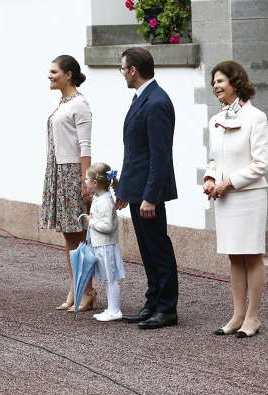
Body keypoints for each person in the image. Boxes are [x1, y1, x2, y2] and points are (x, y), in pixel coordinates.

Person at [203, 60, 268, 338]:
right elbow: (214, 159)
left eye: (220, 81)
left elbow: (260, 164)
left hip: (249, 196)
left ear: (235, 82)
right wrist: (210, 178)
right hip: (225, 198)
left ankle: (253, 317)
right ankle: (237, 315)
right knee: (234, 256)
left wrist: (228, 183)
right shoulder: (215, 119)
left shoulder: (256, 117)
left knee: (251, 255)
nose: (215, 86)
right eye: (213, 82)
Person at [116, 47, 179, 330]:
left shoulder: (156, 102)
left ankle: (166, 308)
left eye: (123, 68)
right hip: (138, 189)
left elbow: (160, 155)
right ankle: (153, 303)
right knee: (147, 250)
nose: (122, 74)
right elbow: (134, 151)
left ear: (133, 70)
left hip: (149, 194)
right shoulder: (143, 97)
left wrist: (150, 197)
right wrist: (124, 190)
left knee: (158, 249)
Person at [40, 55, 96, 311]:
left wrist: (86, 180)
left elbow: (85, 146)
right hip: (58, 171)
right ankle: (75, 287)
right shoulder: (62, 103)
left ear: (68, 74)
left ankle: (87, 290)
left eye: (54, 72)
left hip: (72, 173)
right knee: (69, 235)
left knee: (79, 236)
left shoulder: (80, 104)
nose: (50, 76)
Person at [82, 163, 126, 322]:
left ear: (94, 182)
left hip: (106, 246)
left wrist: (91, 222)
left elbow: (108, 227)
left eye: (86, 179)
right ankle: (111, 308)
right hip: (100, 245)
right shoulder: (98, 198)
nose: (84, 181)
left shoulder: (106, 202)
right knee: (108, 278)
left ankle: (115, 310)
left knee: (111, 278)